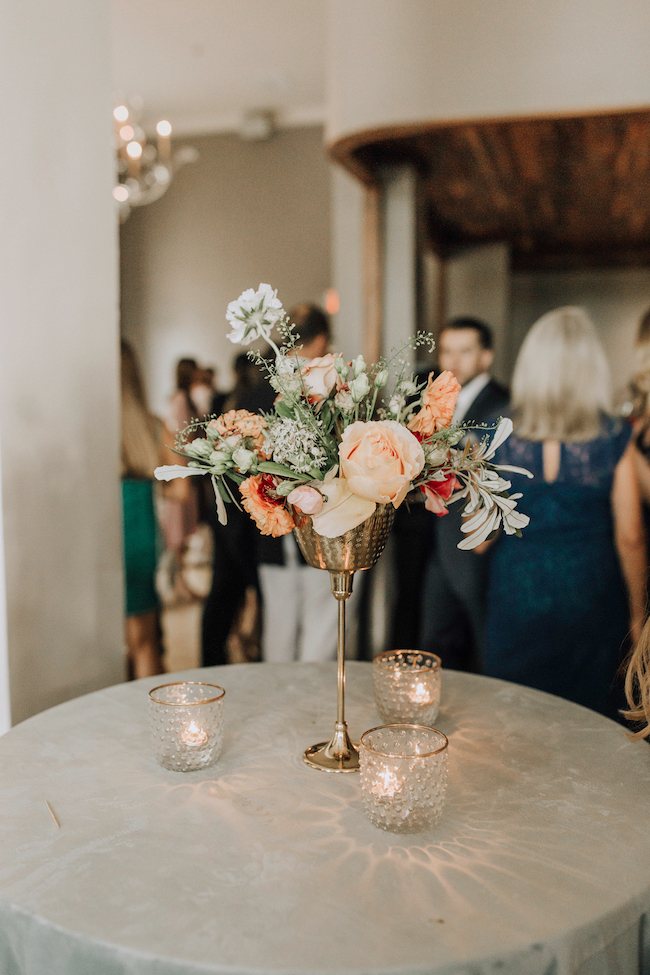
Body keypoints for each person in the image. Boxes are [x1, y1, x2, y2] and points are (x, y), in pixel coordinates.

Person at [483, 306, 647, 719]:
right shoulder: (615, 437)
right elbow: (630, 537)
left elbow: (482, 537)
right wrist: (637, 617)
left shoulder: (498, 434)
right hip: (590, 591)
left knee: (514, 712)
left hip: (518, 587)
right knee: (588, 716)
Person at [239, 303, 343, 663]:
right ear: (322, 340)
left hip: (270, 533)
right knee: (322, 632)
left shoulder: (254, 396)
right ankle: (315, 698)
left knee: (279, 632)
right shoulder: (333, 393)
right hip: (325, 530)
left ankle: (280, 696)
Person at [419, 317, 509, 671]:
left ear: (486, 356)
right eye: (447, 351)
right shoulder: (437, 402)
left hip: (480, 545)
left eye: (465, 351)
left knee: (487, 650)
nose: (453, 361)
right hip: (440, 540)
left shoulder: (502, 406)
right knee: (437, 648)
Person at [120, 340, 165, 679]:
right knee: (145, 641)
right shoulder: (151, 425)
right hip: (141, 536)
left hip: (107, 536)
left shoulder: (91, 428)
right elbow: (179, 488)